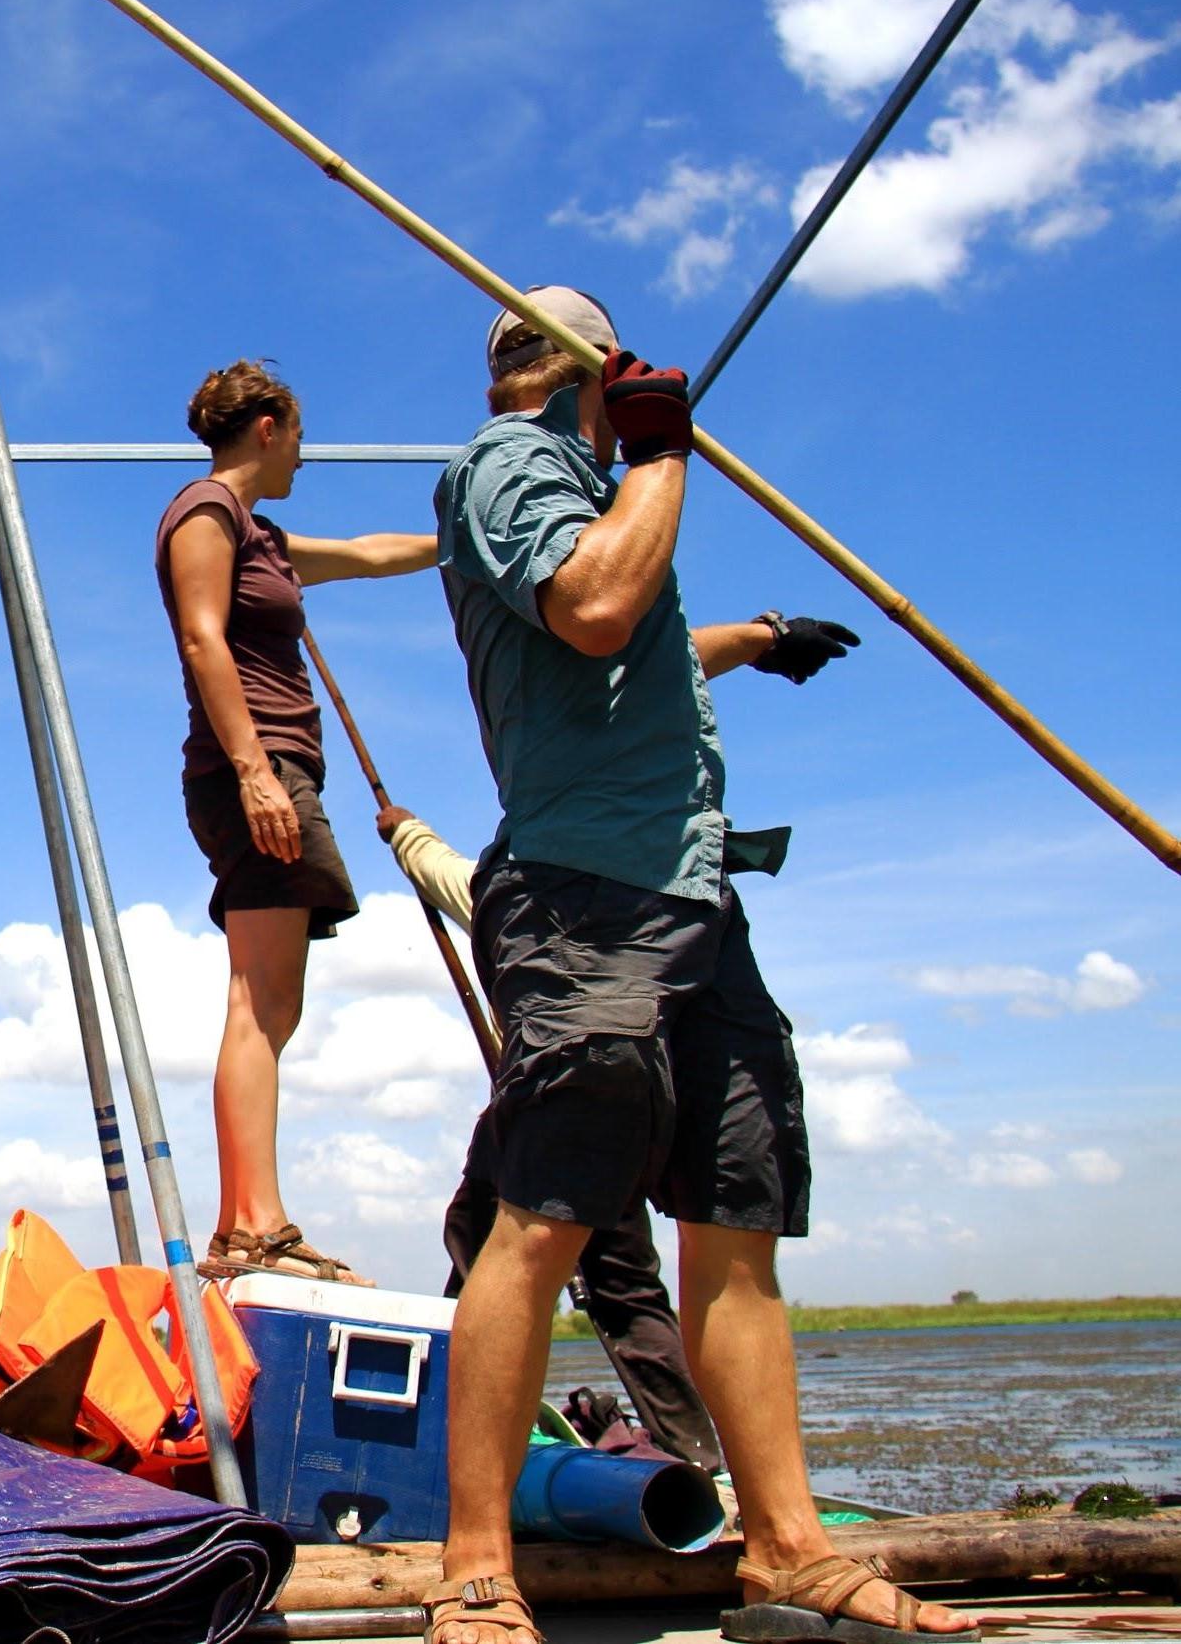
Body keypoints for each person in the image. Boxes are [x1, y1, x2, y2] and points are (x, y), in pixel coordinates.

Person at [422, 287, 966, 1644]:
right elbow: (597, 608)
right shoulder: (512, 466)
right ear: (584, 375)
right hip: (586, 894)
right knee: (543, 1219)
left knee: (736, 1232)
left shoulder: (600, 489)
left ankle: (788, 1547)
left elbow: (653, 658)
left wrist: (761, 637)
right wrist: (662, 455)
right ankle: (478, 1569)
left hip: (698, 898)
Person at [155, 360, 438, 1283]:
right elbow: (203, 637)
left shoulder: (264, 537)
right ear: (269, 425)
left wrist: (459, 541)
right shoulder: (207, 512)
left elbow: (364, 553)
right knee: (261, 1002)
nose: (306, 457)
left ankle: (245, 1223)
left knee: (269, 1000)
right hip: (256, 770)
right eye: (302, 437)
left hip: (276, 770)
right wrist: (254, 774)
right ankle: (259, 1227)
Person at [375, 803, 724, 1476]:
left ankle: (441, 1435)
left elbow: (450, 878)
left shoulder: (532, 900)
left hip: (551, 1109)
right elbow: (449, 876)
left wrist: (404, 834)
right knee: (626, 1291)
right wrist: (408, 836)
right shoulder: (661, 910)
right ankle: (699, 1455)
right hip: (632, 1109)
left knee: (482, 1248)